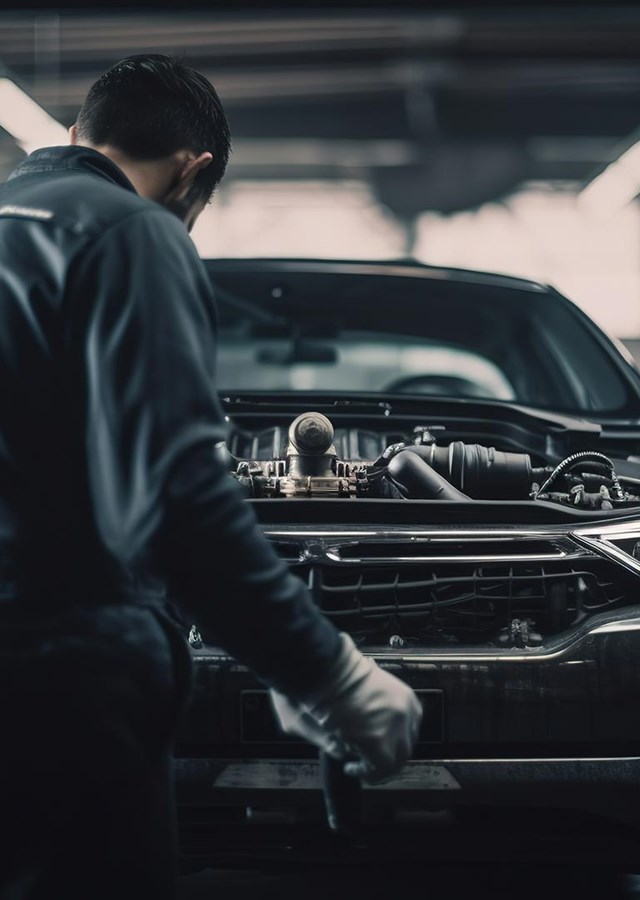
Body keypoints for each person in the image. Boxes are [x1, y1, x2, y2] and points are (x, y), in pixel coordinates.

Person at [0, 54, 422, 899]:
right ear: (196, 173)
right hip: (56, 688)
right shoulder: (129, 233)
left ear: (79, 133)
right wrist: (324, 672)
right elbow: (170, 502)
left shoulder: (19, 226)